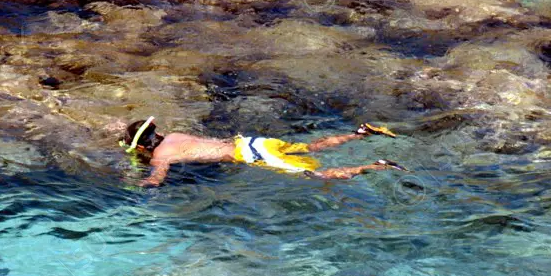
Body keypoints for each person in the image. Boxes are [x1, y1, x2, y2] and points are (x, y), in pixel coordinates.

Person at [118, 116, 407, 187]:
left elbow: (159, 175)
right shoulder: (177, 136)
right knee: (308, 146)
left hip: (254, 156)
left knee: (315, 176)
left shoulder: (159, 156)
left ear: (142, 147)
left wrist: (147, 182)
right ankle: (361, 132)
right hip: (253, 142)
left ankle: (378, 165)